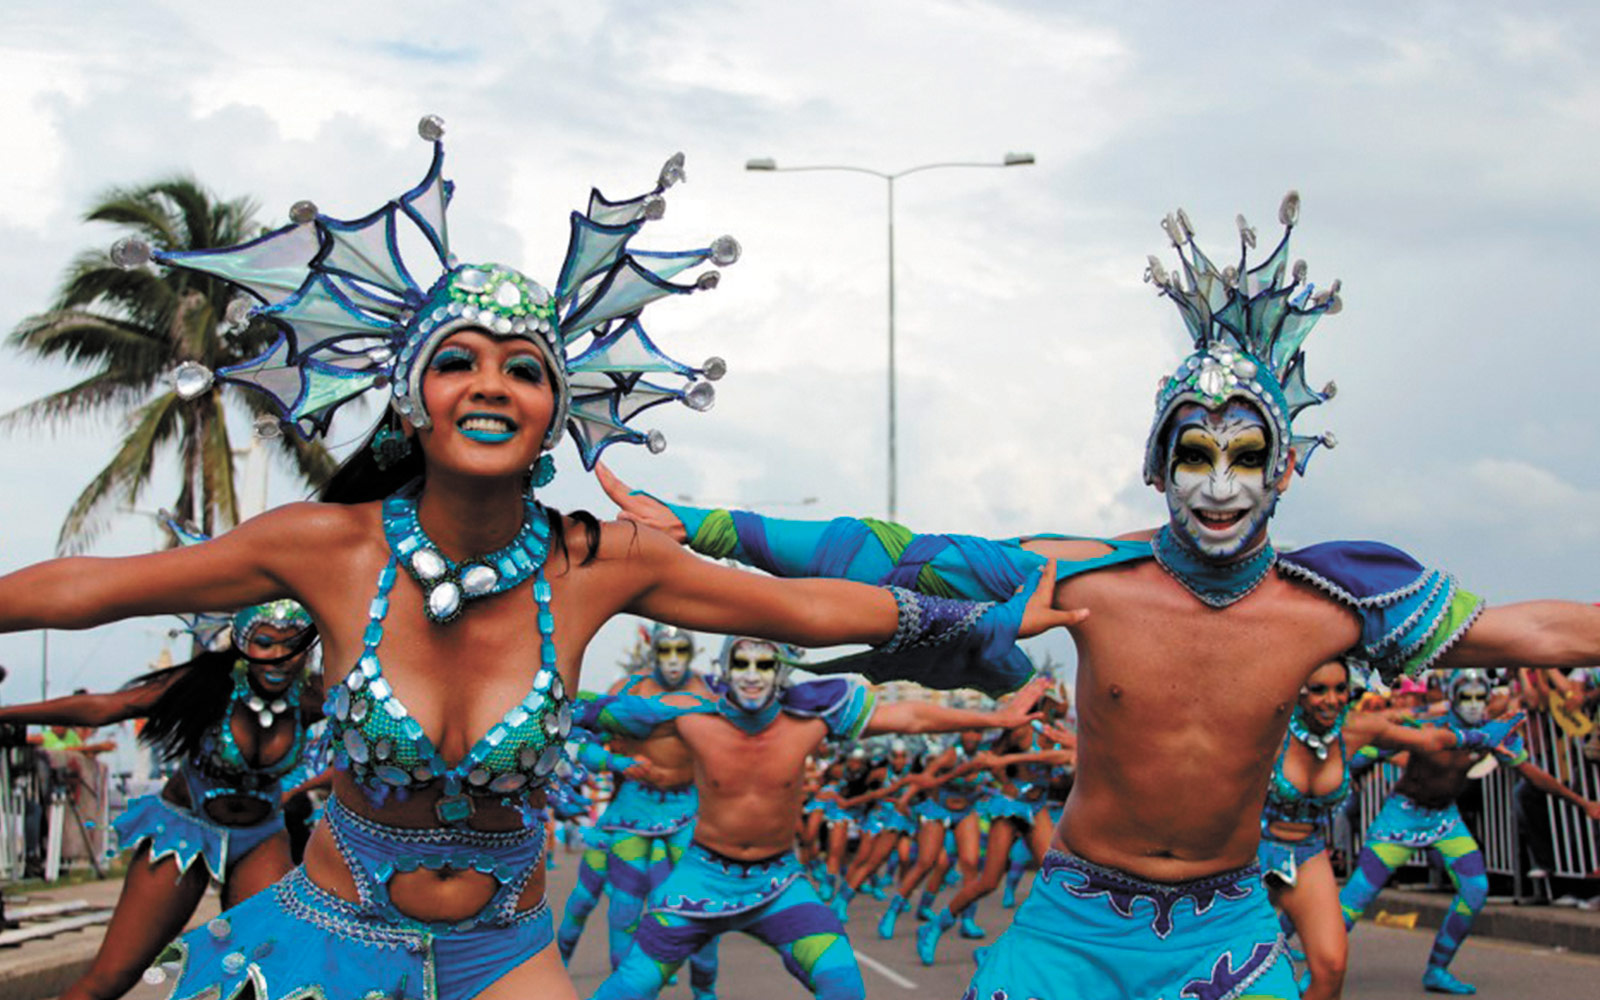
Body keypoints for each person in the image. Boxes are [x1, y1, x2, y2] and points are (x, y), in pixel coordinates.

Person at [0, 116, 1078, 1000]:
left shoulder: (600, 560)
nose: (489, 384)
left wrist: (980, 627)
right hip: (331, 942)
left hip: (502, 953)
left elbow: (802, 611)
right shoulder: (328, 547)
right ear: (413, 399)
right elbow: (88, 589)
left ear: (555, 410)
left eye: (524, 369)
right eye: (457, 361)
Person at [602, 191, 1600, 999]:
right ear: (1155, 467)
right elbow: (890, 553)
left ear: (1285, 471)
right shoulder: (1084, 574)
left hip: (1228, 928)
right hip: (1071, 925)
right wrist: (700, 527)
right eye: (1192, 454)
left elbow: (1531, 628)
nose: (1218, 484)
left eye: (1245, 457)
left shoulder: (1331, 597)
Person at [587, 639, 1053, 1000]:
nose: (752, 676)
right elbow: (598, 713)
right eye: (741, 664)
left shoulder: (811, 718)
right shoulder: (692, 718)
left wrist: (998, 717)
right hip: (701, 881)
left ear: (781, 671)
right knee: (630, 985)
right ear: (725, 671)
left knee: (843, 983)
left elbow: (907, 716)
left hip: (778, 884)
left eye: (764, 665)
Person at [0, 598, 319, 1000]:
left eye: (294, 645)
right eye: (266, 642)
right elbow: (107, 708)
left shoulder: (312, 697)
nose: (280, 657)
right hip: (186, 828)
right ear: (242, 641)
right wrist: (7, 713)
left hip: (260, 836)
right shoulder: (209, 683)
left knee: (267, 979)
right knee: (108, 980)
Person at [1339, 669, 1600, 994]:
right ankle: (1318, 962)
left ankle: (1437, 969)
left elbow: (1534, 774)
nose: (1474, 705)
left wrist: (1582, 802)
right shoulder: (1427, 728)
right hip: (1400, 819)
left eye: (1480, 697)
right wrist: (1327, 779)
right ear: (1453, 696)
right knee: (1356, 898)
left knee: (1476, 889)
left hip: (1445, 820)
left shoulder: (1494, 733)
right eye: (1467, 697)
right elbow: (1365, 752)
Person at [1261, 658, 1492, 1000]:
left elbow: (1422, 738)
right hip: (1261, 848)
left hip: (1318, 848)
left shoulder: (1356, 728)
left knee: (1331, 965)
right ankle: (1282, 939)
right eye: (1319, 689)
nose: (1333, 699)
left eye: (1341, 689)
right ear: (1299, 692)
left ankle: (1438, 968)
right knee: (1243, 956)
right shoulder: (1269, 729)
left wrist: (1476, 737)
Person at [586, 623, 720, 998]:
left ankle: (704, 990)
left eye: (681, 650)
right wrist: (612, 763)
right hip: (634, 809)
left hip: (688, 811)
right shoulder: (628, 690)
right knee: (625, 907)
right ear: (654, 651)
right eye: (666, 650)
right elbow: (582, 738)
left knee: (702, 906)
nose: (674, 659)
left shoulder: (706, 691)